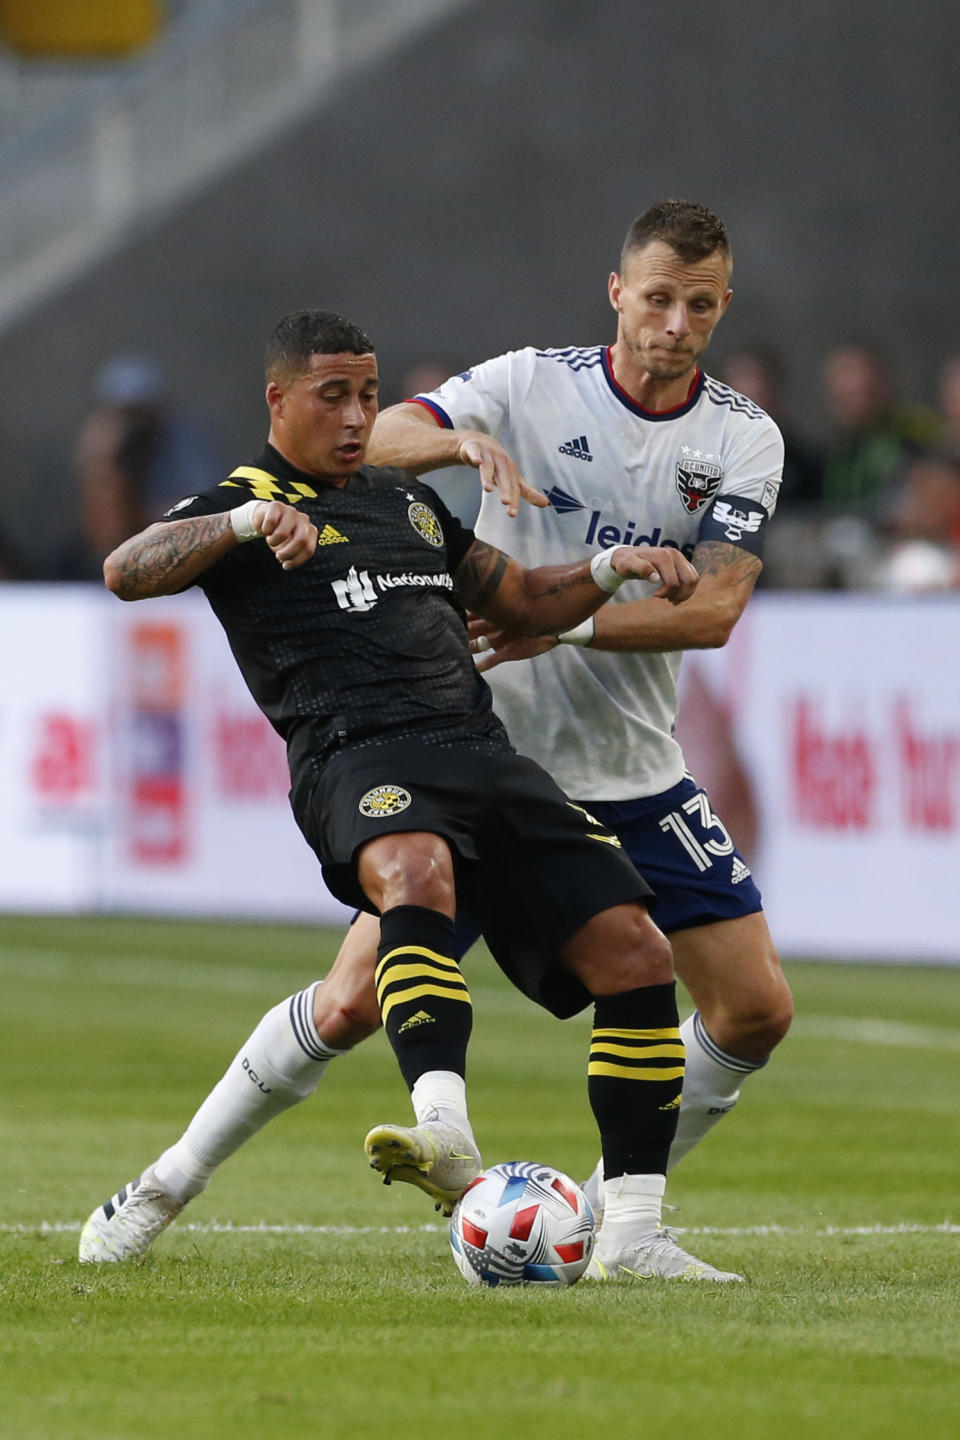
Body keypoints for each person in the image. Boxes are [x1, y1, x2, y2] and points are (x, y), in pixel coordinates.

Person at [81, 306, 741, 1284]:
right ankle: (441, 1128)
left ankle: (633, 1234)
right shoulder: (248, 500)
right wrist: (243, 522)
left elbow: (518, 601)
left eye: (369, 395)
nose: (356, 417)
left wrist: (607, 570)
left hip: (482, 755)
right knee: (414, 869)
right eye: (332, 395)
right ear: (278, 400)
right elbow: (125, 570)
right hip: (357, 756)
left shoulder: (406, 504)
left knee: (636, 955)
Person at [365, 198, 794, 1222]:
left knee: (755, 1009)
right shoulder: (526, 383)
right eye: (657, 298)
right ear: (617, 293)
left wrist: (558, 624)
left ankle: (601, 1214)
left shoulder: (742, 440)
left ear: (723, 304)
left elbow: (719, 607)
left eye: (700, 304)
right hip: (492, 762)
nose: (676, 323)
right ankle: (156, 1193)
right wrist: (457, 448)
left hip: (633, 763)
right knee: (345, 1001)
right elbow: (371, 441)